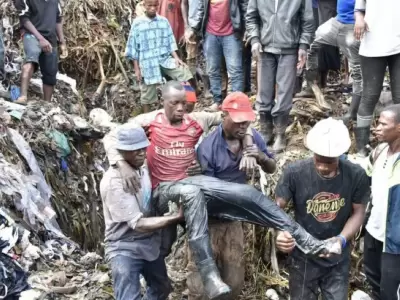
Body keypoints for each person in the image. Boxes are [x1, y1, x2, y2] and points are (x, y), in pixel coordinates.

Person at [103, 82, 342, 299]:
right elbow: (113, 135)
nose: (179, 108)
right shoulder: (150, 121)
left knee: (246, 194)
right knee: (166, 239)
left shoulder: (196, 119)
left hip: (190, 186)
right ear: (162, 101)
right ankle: (207, 274)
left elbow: (241, 123)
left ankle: (307, 241)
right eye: (173, 103)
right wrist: (121, 163)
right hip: (163, 191)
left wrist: (250, 148)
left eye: (183, 103)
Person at [186, 93, 276, 299]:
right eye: (237, 122)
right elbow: (208, 191)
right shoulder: (208, 148)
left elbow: (271, 167)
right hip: (207, 222)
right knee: (200, 285)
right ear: (223, 116)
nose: (242, 127)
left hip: (233, 221)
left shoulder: (251, 138)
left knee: (234, 281)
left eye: (246, 122)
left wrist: (259, 156)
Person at [275, 118, 370, 300]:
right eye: (319, 160)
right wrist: (280, 232)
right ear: (312, 152)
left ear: (340, 155)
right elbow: (276, 208)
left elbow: (358, 212)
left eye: (329, 162)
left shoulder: (356, 175)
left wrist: (341, 239)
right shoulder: (295, 173)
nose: (322, 167)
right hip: (303, 255)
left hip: (337, 256)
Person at [100, 126, 184, 300]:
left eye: (142, 148)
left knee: (162, 288)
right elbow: (138, 224)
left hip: (148, 243)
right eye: (134, 150)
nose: (140, 153)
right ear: (122, 151)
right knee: (128, 296)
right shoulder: (113, 182)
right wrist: (174, 218)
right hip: (123, 245)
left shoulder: (142, 167)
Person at [246, 0, 314, 153]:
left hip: (289, 48)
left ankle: (280, 134)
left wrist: (303, 45)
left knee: (284, 93)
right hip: (265, 47)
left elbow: (307, 20)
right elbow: (251, 17)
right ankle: (265, 130)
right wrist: (255, 39)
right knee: (263, 91)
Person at [125, 0, 194, 113]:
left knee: (184, 73)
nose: (153, 8)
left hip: (164, 59)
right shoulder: (138, 23)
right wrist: (137, 69)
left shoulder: (163, 21)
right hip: (148, 63)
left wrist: (176, 58)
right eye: (150, 5)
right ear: (144, 6)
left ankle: (189, 109)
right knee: (147, 96)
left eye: (155, 5)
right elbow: (133, 48)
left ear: (158, 5)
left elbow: (170, 42)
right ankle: (148, 120)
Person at [362, 104, 400, 300]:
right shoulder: (379, 151)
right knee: (373, 279)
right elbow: (364, 174)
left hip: (395, 240)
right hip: (373, 231)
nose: (376, 128)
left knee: (390, 290)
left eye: (383, 124)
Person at [353, 0, 400, 157]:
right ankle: (362, 147)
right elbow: (359, 9)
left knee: (399, 97)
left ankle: (397, 145)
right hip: (373, 41)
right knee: (370, 95)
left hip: (398, 42)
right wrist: (359, 19)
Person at [185, 0, 248, 111]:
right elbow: (200, 9)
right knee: (213, 69)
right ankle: (217, 101)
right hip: (211, 33)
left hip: (232, 32)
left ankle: (237, 102)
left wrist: (247, 28)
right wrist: (193, 29)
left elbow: (244, 6)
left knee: (235, 70)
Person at [306, 0, 362, 118]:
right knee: (311, 47)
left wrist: (361, 19)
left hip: (353, 25)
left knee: (357, 71)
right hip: (337, 20)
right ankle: (311, 85)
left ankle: (353, 112)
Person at [14, 0, 67, 105]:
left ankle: (47, 103)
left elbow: (58, 20)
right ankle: (23, 96)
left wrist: (62, 40)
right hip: (31, 35)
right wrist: (41, 39)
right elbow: (24, 19)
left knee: (50, 72)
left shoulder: (55, 2)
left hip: (50, 39)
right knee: (31, 60)